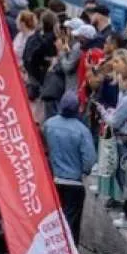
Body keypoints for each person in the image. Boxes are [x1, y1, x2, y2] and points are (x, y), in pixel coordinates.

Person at [43, 90, 96, 243]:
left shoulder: (49, 125)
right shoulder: (82, 131)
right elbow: (89, 161)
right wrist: (83, 171)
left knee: (53, 221)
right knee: (71, 226)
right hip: (74, 183)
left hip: (53, 181)